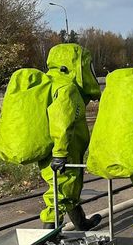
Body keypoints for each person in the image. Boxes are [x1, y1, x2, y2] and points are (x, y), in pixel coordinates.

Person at [40, 43, 102, 230]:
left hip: (51, 146)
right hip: (65, 148)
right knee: (61, 191)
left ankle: (81, 222)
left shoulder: (50, 83)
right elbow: (62, 122)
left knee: (68, 187)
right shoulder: (68, 88)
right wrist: (61, 153)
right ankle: (46, 237)